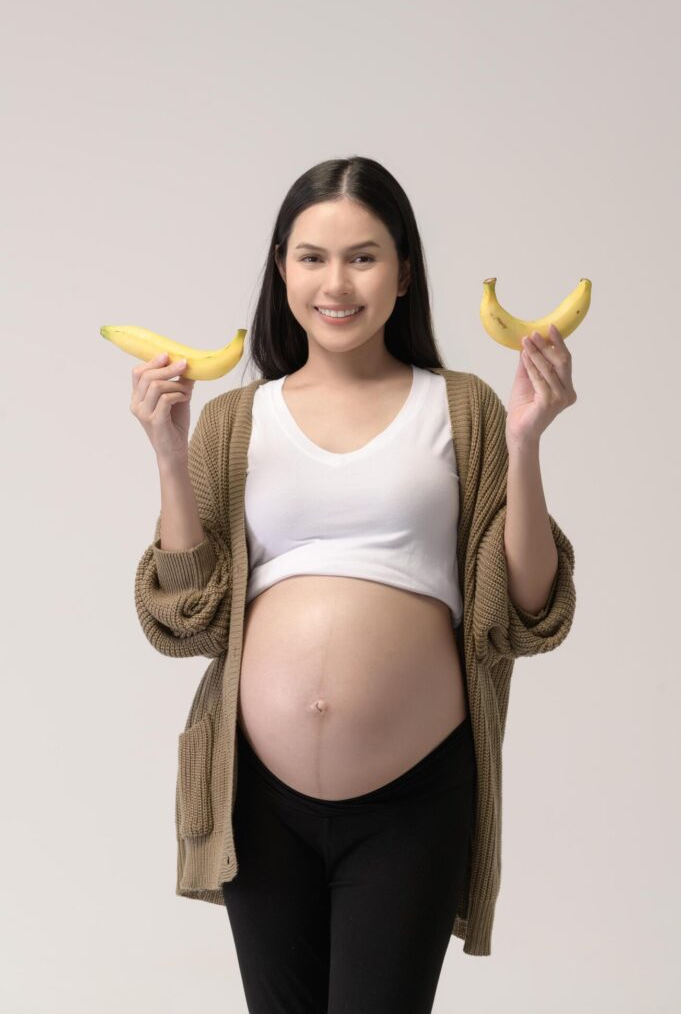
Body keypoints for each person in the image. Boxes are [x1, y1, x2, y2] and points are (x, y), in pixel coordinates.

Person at [131, 155, 577, 1013]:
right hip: (256, 801)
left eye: (363, 257)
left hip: (412, 800)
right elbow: (187, 620)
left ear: (404, 271)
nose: (336, 283)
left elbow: (525, 611)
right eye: (312, 257)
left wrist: (524, 442)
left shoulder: (463, 409)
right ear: (280, 269)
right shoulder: (234, 420)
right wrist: (169, 457)